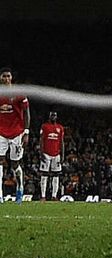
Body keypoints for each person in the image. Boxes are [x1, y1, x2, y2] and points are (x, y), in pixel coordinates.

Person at [0, 67, 30, 203]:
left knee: (14, 164)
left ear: (11, 78)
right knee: (0, 161)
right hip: (1, 132)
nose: (6, 79)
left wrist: (26, 131)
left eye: (8, 76)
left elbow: (27, 112)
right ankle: (0, 194)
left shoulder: (18, 93)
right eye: (4, 76)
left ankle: (20, 187)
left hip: (16, 132)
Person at [37, 110, 65, 201]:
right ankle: (43, 196)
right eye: (52, 115)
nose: (53, 117)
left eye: (55, 115)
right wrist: (41, 152)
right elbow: (41, 140)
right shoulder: (44, 126)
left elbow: (61, 142)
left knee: (56, 175)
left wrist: (62, 154)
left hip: (56, 154)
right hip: (46, 154)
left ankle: (54, 196)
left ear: (56, 117)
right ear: (49, 117)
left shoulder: (60, 128)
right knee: (44, 175)